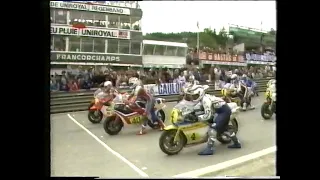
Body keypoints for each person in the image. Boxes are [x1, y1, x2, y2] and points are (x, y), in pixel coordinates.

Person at [184, 85, 242, 155]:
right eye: (193, 96)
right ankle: (237, 143)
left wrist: (197, 118)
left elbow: (207, 115)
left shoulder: (205, 100)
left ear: (201, 93)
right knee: (225, 128)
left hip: (223, 111)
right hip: (221, 110)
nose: (194, 97)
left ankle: (209, 149)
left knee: (213, 128)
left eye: (196, 95)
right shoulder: (203, 98)